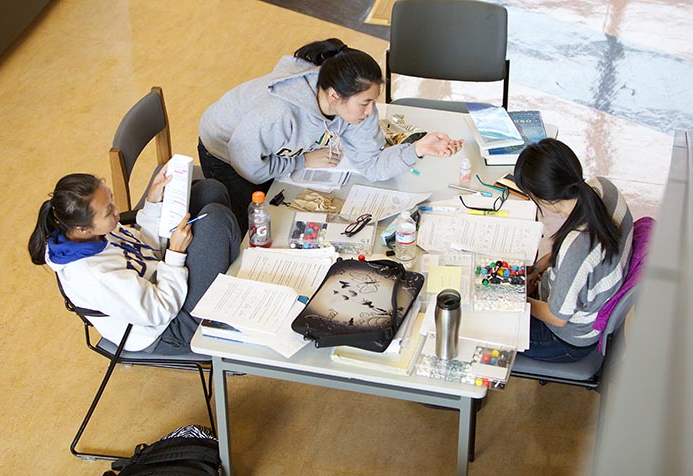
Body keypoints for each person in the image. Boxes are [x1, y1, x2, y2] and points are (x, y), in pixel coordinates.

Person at [198, 37, 463, 233]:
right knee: (258, 230)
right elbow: (251, 168)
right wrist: (303, 161)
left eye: (374, 100)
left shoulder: (351, 105)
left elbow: (372, 165)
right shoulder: (278, 113)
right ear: (335, 96)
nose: (371, 111)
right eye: (364, 103)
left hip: (273, 148)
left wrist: (417, 150)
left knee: (285, 212)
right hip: (226, 151)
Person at [28, 169, 240, 354]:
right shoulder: (95, 275)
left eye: (111, 199)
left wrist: (153, 204)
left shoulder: (93, 233)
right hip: (166, 326)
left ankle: (229, 287)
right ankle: (236, 305)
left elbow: (144, 252)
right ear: (83, 229)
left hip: (162, 281)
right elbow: (160, 310)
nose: (117, 209)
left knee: (209, 189)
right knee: (216, 220)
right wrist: (175, 253)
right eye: (108, 211)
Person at [514, 138, 634, 363]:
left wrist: (520, 300)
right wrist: (540, 267)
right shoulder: (602, 186)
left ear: (543, 198)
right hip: (583, 305)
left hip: (565, 339)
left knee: (480, 319)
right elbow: (578, 262)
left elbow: (557, 318)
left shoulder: (577, 245)